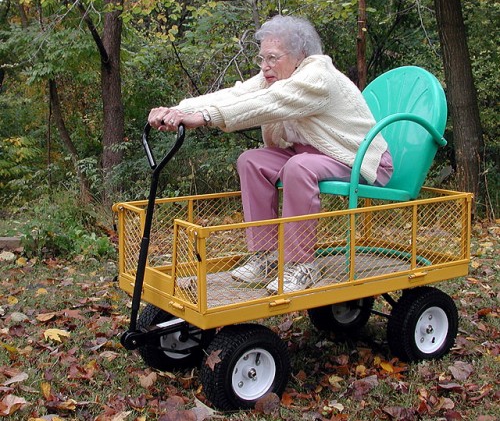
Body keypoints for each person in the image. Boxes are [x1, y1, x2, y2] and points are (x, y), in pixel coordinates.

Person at [148, 15, 393, 293]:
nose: (265, 67)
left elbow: (268, 103)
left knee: (299, 168)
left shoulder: (317, 77)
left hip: (357, 158)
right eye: (261, 58)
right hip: (309, 153)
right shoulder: (276, 75)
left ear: (300, 55)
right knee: (252, 161)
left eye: (273, 58)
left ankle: (302, 264)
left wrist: (203, 117)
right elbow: (235, 96)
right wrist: (178, 110)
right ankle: (265, 256)